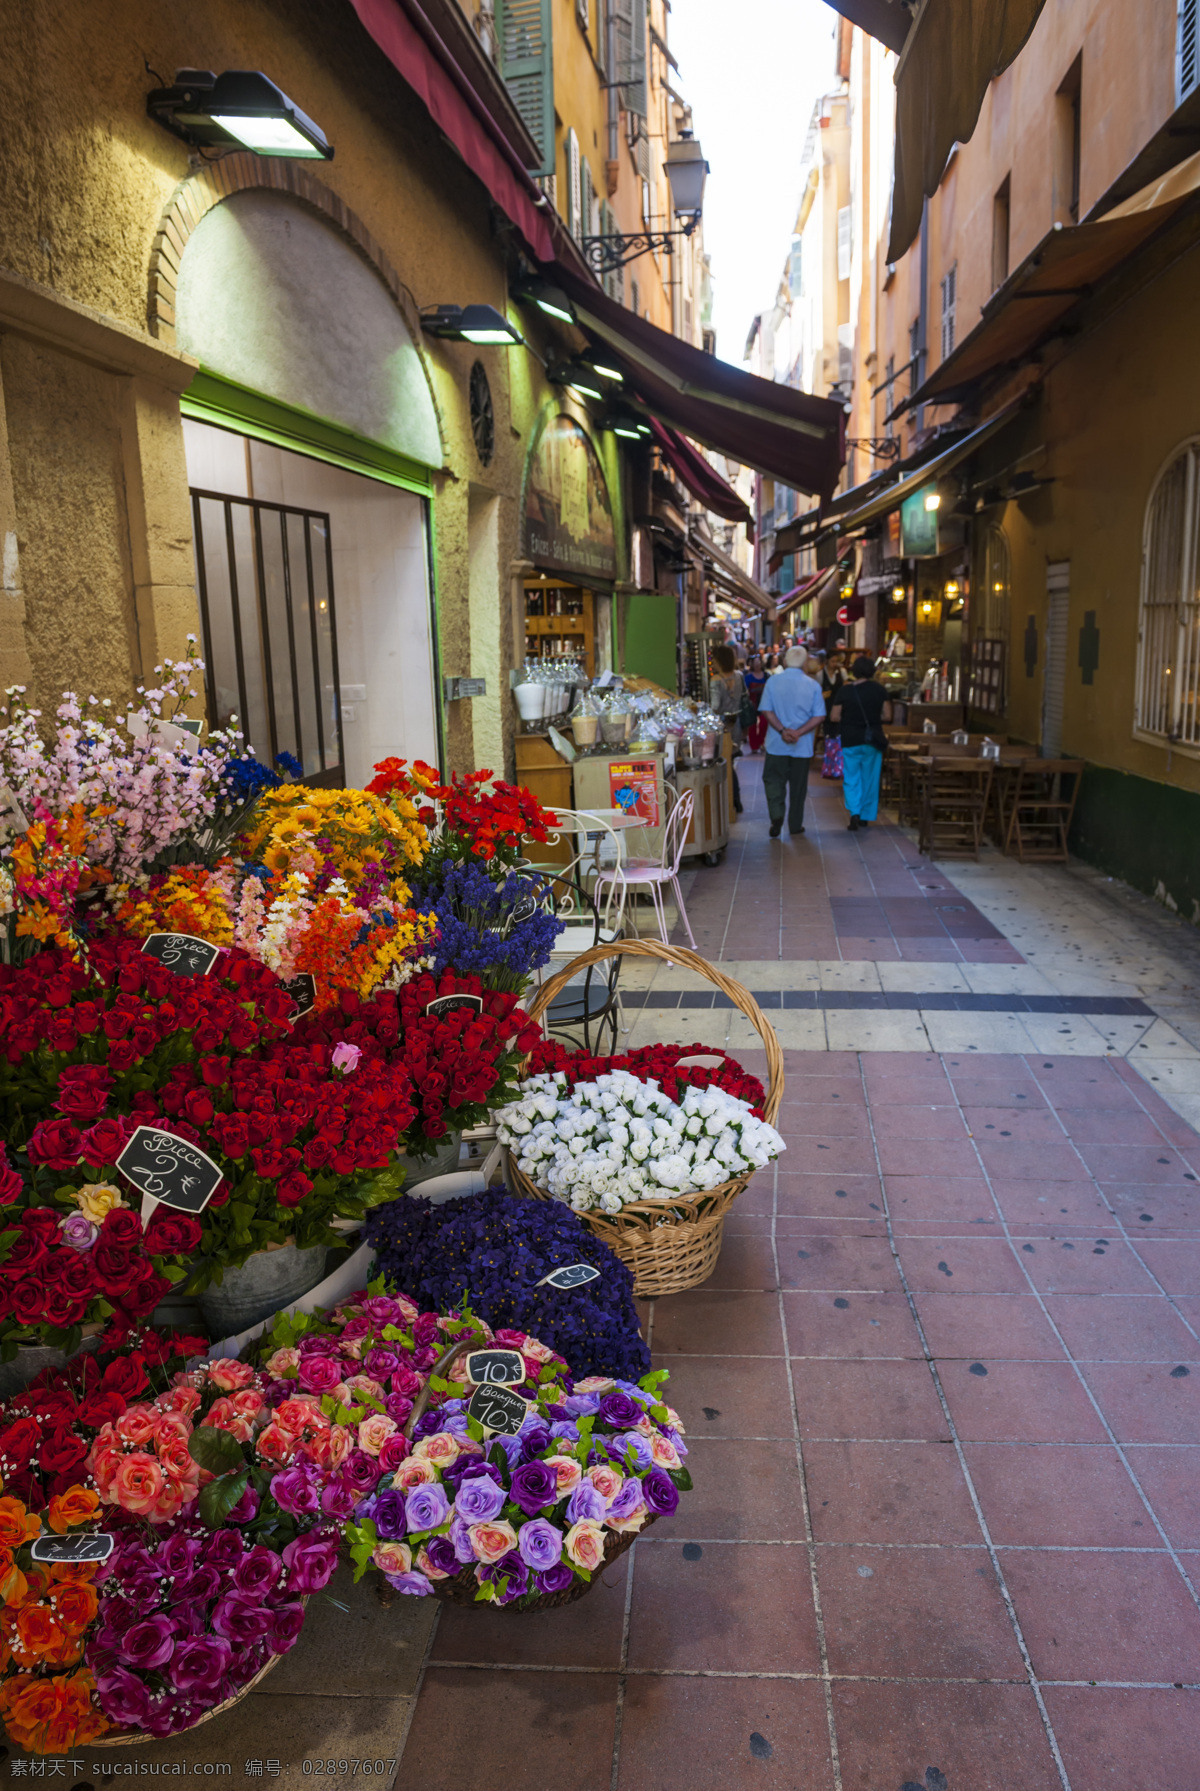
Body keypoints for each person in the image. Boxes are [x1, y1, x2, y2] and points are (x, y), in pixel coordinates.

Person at [756, 646, 825, 838]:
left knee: (773, 781)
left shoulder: (773, 682)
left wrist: (782, 730)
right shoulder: (813, 685)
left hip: (776, 744)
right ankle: (795, 824)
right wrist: (799, 732)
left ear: (785, 661)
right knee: (798, 787)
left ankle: (776, 815)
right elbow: (819, 716)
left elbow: (766, 710)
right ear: (804, 663)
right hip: (801, 747)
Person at [831, 655, 893, 832]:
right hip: (872, 739)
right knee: (870, 778)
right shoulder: (880, 690)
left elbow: (834, 716)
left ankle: (854, 812)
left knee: (851, 777)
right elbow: (888, 716)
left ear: (854, 671)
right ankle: (866, 815)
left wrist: (850, 719)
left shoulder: (845, 691)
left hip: (850, 738)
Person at [709, 644, 747, 814]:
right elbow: (743, 697)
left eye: (714, 661)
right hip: (737, 723)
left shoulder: (716, 680)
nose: (712, 664)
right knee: (731, 761)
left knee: (725, 763)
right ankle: (735, 800)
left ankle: (732, 800)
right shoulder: (739, 676)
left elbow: (715, 706)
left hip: (722, 725)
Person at [820, 650, 846, 781]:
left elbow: (846, 686)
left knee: (839, 735)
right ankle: (829, 766)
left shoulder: (842, 672)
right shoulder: (821, 674)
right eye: (832, 661)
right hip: (826, 707)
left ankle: (838, 767)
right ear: (827, 662)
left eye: (836, 661)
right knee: (829, 736)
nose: (835, 664)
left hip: (841, 708)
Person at [743, 653, 768, 753]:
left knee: (764, 724)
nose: (757, 664)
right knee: (752, 726)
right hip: (752, 704)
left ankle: (761, 742)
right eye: (755, 662)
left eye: (759, 662)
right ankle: (754, 746)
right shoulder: (748, 677)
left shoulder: (766, 676)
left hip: (764, 703)